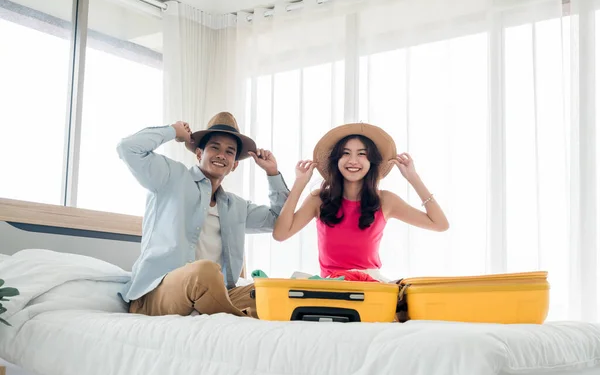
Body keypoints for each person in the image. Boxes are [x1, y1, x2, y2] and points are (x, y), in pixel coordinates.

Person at [117, 112, 289, 318]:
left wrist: (272, 173)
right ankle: (239, 320)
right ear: (199, 154)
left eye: (229, 152)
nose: (221, 155)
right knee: (205, 272)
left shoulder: (236, 206)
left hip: (212, 293)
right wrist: (174, 130)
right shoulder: (171, 177)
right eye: (214, 147)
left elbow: (280, 219)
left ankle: (226, 312)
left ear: (234, 165)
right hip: (157, 293)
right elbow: (128, 148)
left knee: (264, 292)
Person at [272, 122, 449, 281]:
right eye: (345, 154)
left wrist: (413, 178)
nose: (353, 161)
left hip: (369, 286)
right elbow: (280, 234)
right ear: (337, 161)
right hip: (332, 287)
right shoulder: (319, 199)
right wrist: (299, 183)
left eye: (361, 154)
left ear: (371, 162)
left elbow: (440, 224)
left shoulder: (385, 201)